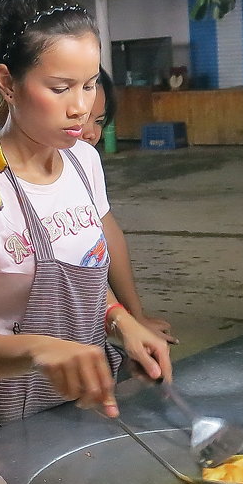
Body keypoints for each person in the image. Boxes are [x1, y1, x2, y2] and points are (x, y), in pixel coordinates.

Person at [0, 0, 172, 442]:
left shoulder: (84, 161)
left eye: (90, 84)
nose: (80, 107)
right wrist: (38, 350)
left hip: (85, 409)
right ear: (7, 83)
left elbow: (78, 279)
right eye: (60, 88)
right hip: (4, 425)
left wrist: (123, 321)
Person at [82, 68, 176, 344]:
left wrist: (134, 316)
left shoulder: (85, 159)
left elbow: (107, 236)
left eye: (97, 120)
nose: (90, 132)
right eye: (80, 117)